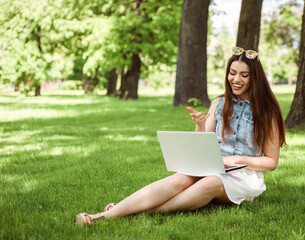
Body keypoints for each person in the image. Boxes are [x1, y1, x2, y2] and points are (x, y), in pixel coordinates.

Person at [76, 47, 286, 227]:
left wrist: (236, 160)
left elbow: (271, 162)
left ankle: (134, 212)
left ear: (254, 78)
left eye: (244, 75)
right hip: (213, 166)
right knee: (181, 178)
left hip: (243, 177)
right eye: (232, 73)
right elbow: (202, 143)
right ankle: (102, 216)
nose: (236, 79)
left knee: (210, 183)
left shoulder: (268, 113)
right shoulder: (220, 103)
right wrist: (201, 124)